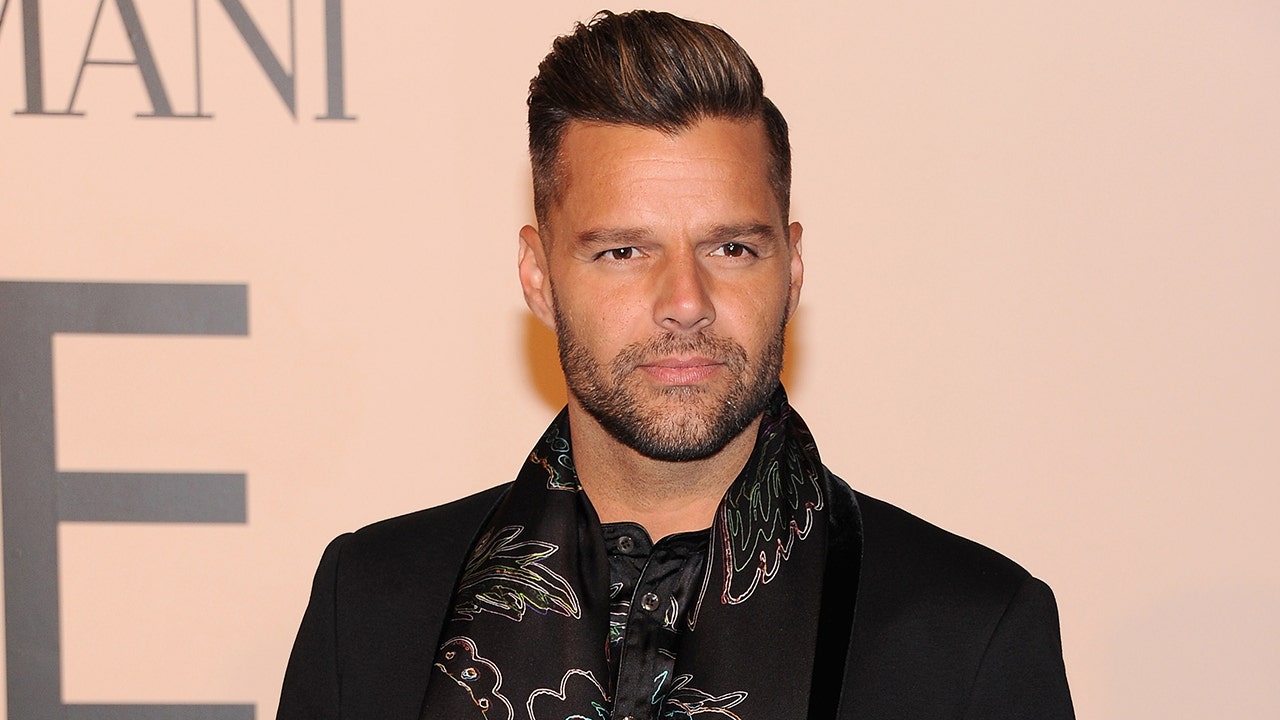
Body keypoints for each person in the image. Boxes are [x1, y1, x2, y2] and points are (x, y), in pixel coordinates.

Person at [277, 10, 1074, 720]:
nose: (686, 302)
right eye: (624, 252)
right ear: (538, 278)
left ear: (792, 268)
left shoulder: (972, 633)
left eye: (732, 248)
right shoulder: (371, 607)